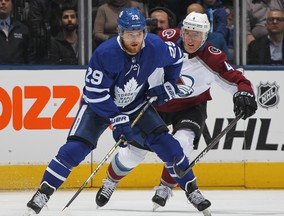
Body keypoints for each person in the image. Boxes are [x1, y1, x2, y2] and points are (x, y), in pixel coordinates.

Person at [25, 7, 212, 216]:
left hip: (135, 104)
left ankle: (192, 190)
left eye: (139, 34)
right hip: (99, 107)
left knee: (169, 146)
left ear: (144, 32)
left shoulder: (154, 47)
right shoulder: (105, 53)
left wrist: (169, 84)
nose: (135, 39)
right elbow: (95, 93)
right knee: (75, 149)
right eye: (130, 34)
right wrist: (116, 117)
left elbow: (177, 57)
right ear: (120, 33)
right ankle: (43, 193)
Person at [95, 11, 257, 215]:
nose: (190, 38)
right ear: (181, 31)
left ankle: (165, 186)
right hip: (155, 102)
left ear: (205, 36)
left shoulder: (213, 57)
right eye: (188, 32)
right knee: (134, 154)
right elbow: (138, 46)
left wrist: (245, 93)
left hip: (190, 106)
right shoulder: (166, 40)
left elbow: (236, 78)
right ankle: (110, 181)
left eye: (196, 34)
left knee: (182, 144)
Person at [0, 0, 35, 64]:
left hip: (18, 73)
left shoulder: (23, 29)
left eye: (7, 0)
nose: (3, 2)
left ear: (12, 5)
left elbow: (30, 58)